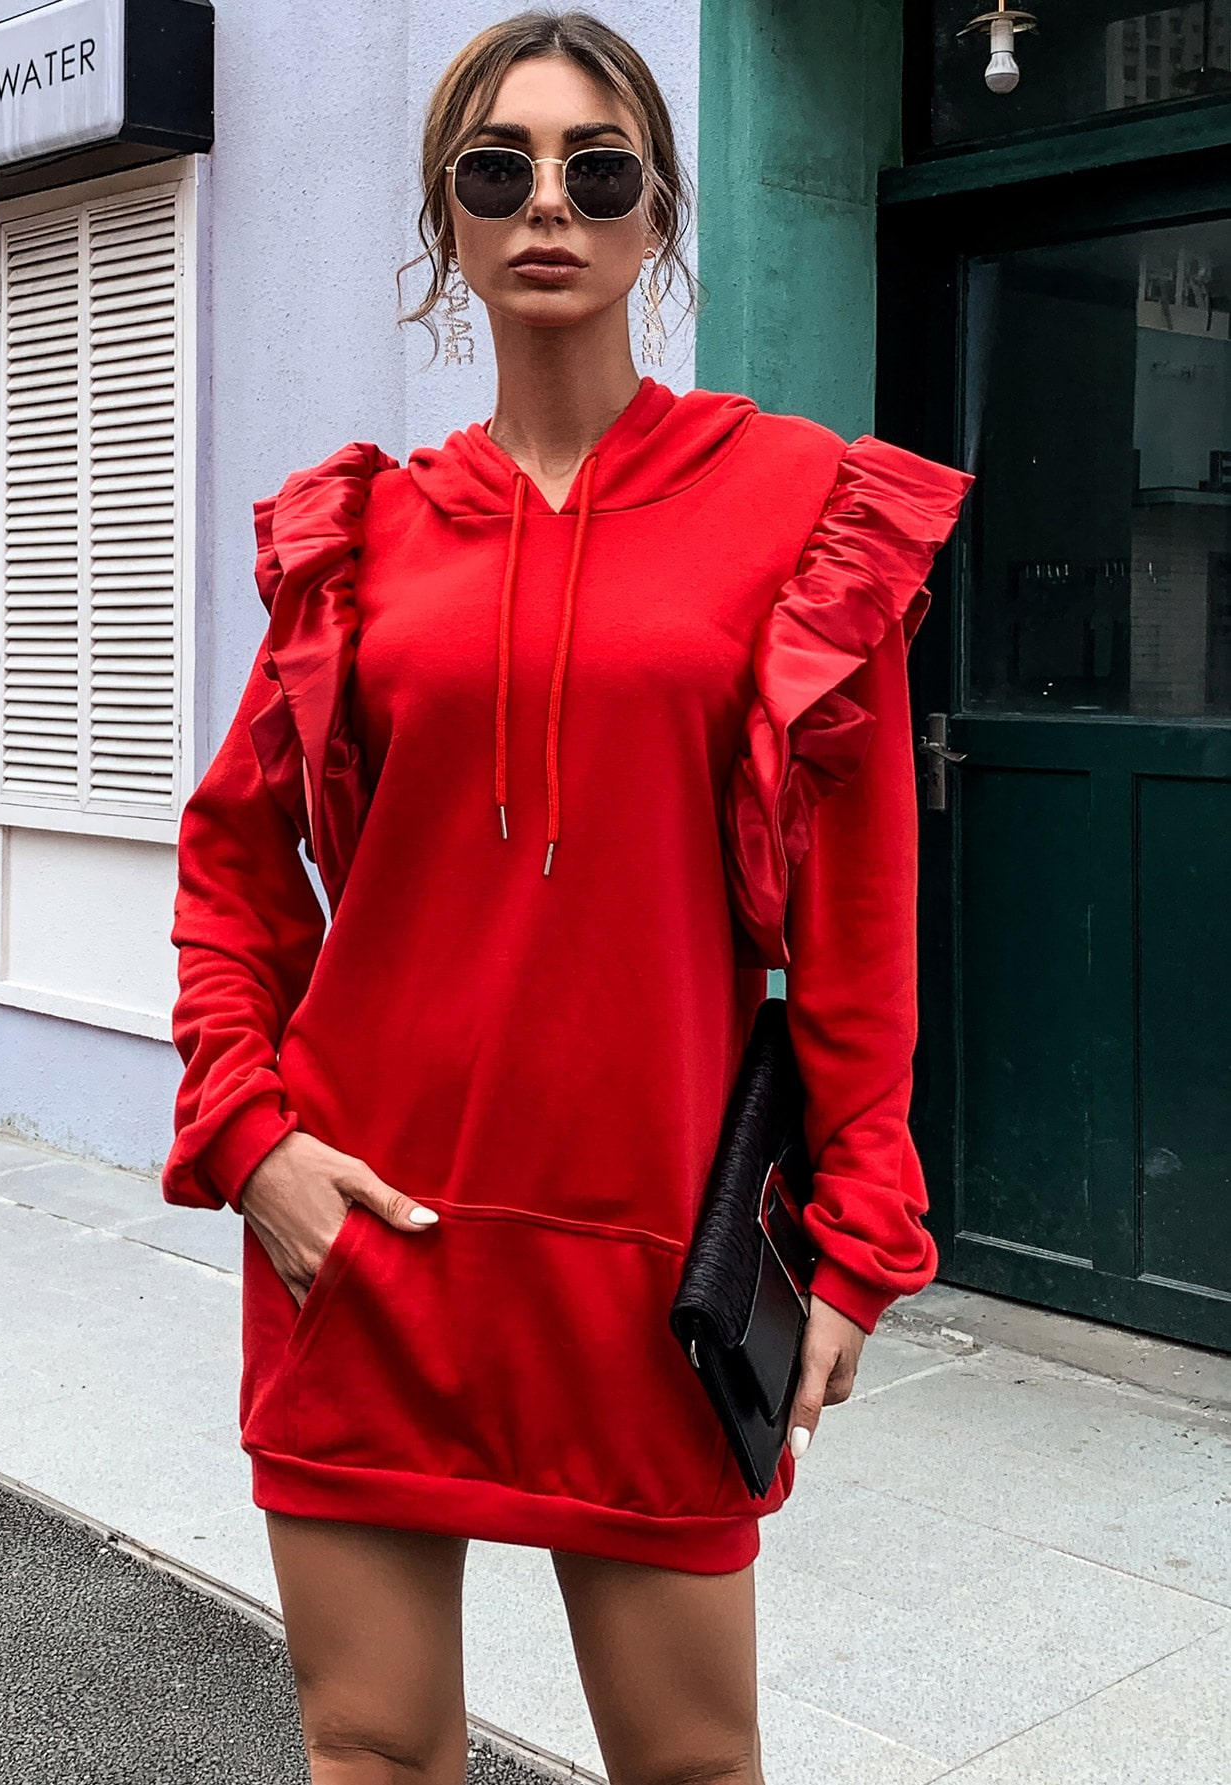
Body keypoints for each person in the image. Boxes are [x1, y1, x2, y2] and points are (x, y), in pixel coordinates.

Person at [162, 11, 973, 1784]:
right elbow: (234, 859)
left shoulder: (791, 506)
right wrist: (253, 1137)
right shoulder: (360, 531)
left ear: (656, 213)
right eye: (495, 167)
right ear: (445, 220)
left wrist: (859, 1224)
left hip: (647, 1263)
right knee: (370, 1747)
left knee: (691, 1768)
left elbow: (858, 906)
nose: (549, 203)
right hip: (368, 1244)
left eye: (596, 166)